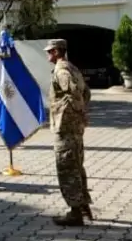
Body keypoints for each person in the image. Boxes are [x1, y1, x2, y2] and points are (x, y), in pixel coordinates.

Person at [45, 38, 92, 227]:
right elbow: (87, 93)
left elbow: (75, 94)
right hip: (73, 127)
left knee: (67, 168)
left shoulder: (62, 70)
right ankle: (82, 205)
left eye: (50, 51)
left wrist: (69, 113)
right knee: (76, 166)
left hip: (66, 127)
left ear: (57, 51)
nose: (48, 55)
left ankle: (75, 212)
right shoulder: (72, 68)